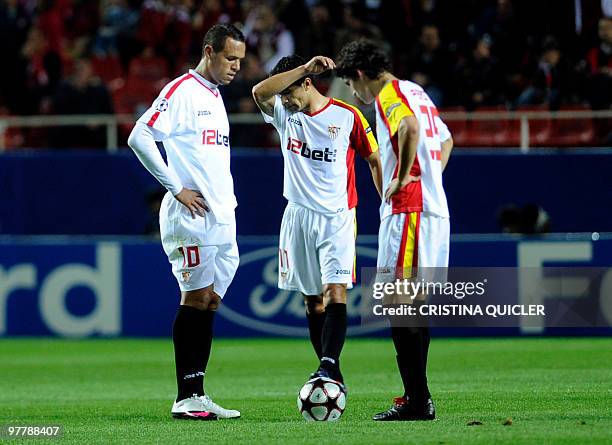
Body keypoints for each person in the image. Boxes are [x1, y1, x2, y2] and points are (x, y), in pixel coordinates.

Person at [127, 24, 245, 421]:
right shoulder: (182, 91)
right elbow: (140, 136)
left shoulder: (214, 96)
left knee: (210, 301)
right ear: (209, 51)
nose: (235, 67)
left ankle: (197, 394)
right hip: (190, 216)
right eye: (230, 58)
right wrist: (176, 187)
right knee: (195, 298)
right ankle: (186, 396)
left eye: (240, 61)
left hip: (221, 216)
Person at [336, 40, 454, 421]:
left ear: (359, 75)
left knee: (399, 303)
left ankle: (418, 400)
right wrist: (430, 176)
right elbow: (446, 139)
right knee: (411, 305)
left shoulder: (389, 94)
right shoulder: (415, 90)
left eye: (352, 87)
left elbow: (409, 126)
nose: (355, 95)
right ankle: (417, 397)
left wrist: (402, 176)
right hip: (430, 208)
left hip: (410, 210)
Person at [251, 55, 383, 387]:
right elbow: (259, 93)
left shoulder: (346, 116)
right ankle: (327, 371)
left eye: (289, 93)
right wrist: (300, 70)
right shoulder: (285, 115)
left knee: (334, 291)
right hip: (297, 217)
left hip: (337, 217)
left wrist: (386, 203)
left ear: (308, 84)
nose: (283, 100)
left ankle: (329, 365)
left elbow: (374, 158)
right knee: (312, 302)